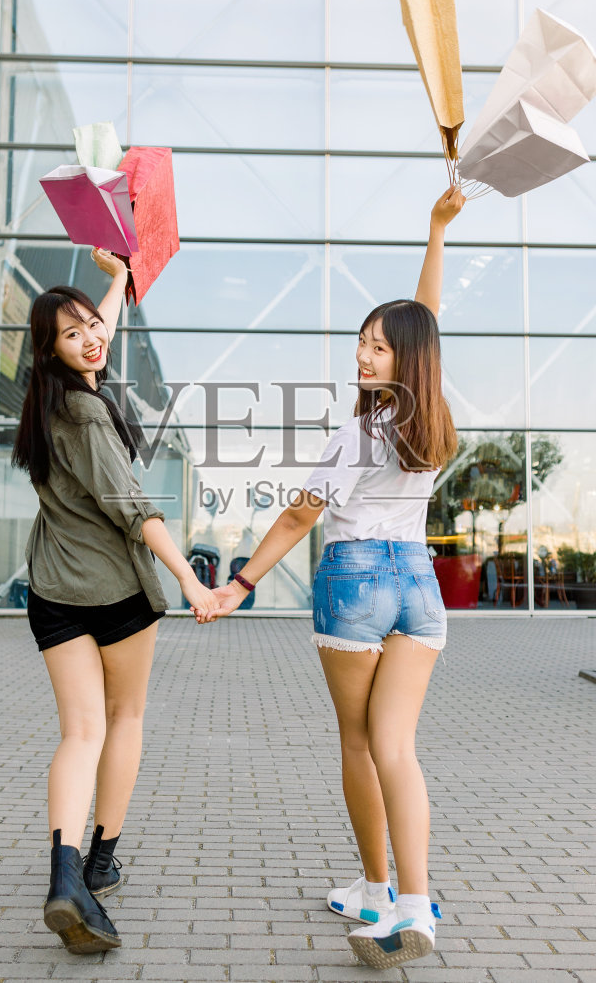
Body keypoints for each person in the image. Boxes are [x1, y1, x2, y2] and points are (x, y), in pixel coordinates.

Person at [200, 187, 465, 968]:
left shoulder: (359, 433)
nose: (364, 354)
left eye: (379, 347)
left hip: (355, 580)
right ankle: (409, 900)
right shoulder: (432, 418)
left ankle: (385, 890)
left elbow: (295, 520)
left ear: (400, 359)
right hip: (418, 584)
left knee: (361, 740)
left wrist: (236, 585)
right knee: (400, 747)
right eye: (361, 342)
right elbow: (428, 321)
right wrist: (435, 231)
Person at [12, 248, 219, 954]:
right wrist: (190, 580)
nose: (93, 337)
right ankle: (97, 861)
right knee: (124, 716)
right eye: (72, 335)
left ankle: (63, 872)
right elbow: (134, 507)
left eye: (92, 325)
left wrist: (119, 280)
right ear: (52, 350)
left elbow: (103, 326)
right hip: (116, 592)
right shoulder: (90, 415)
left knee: (78, 732)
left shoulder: (43, 401)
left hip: (51, 590)